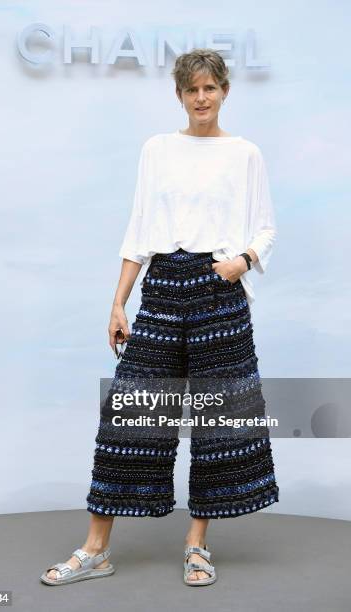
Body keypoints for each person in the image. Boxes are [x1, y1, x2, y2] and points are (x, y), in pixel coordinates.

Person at [40, 48, 279, 588]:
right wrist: (119, 301)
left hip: (220, 292)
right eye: (191, 90)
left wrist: (241, 261)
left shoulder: (245, 153)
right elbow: (140, 227)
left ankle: (197, 545)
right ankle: (96, 549)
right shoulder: (158, 149)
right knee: (133, 418)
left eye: (210, 89)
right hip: (163, 285)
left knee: (217, 423)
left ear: (224, 92)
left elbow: (266, 227)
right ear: (179, 95)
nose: (201, 98)